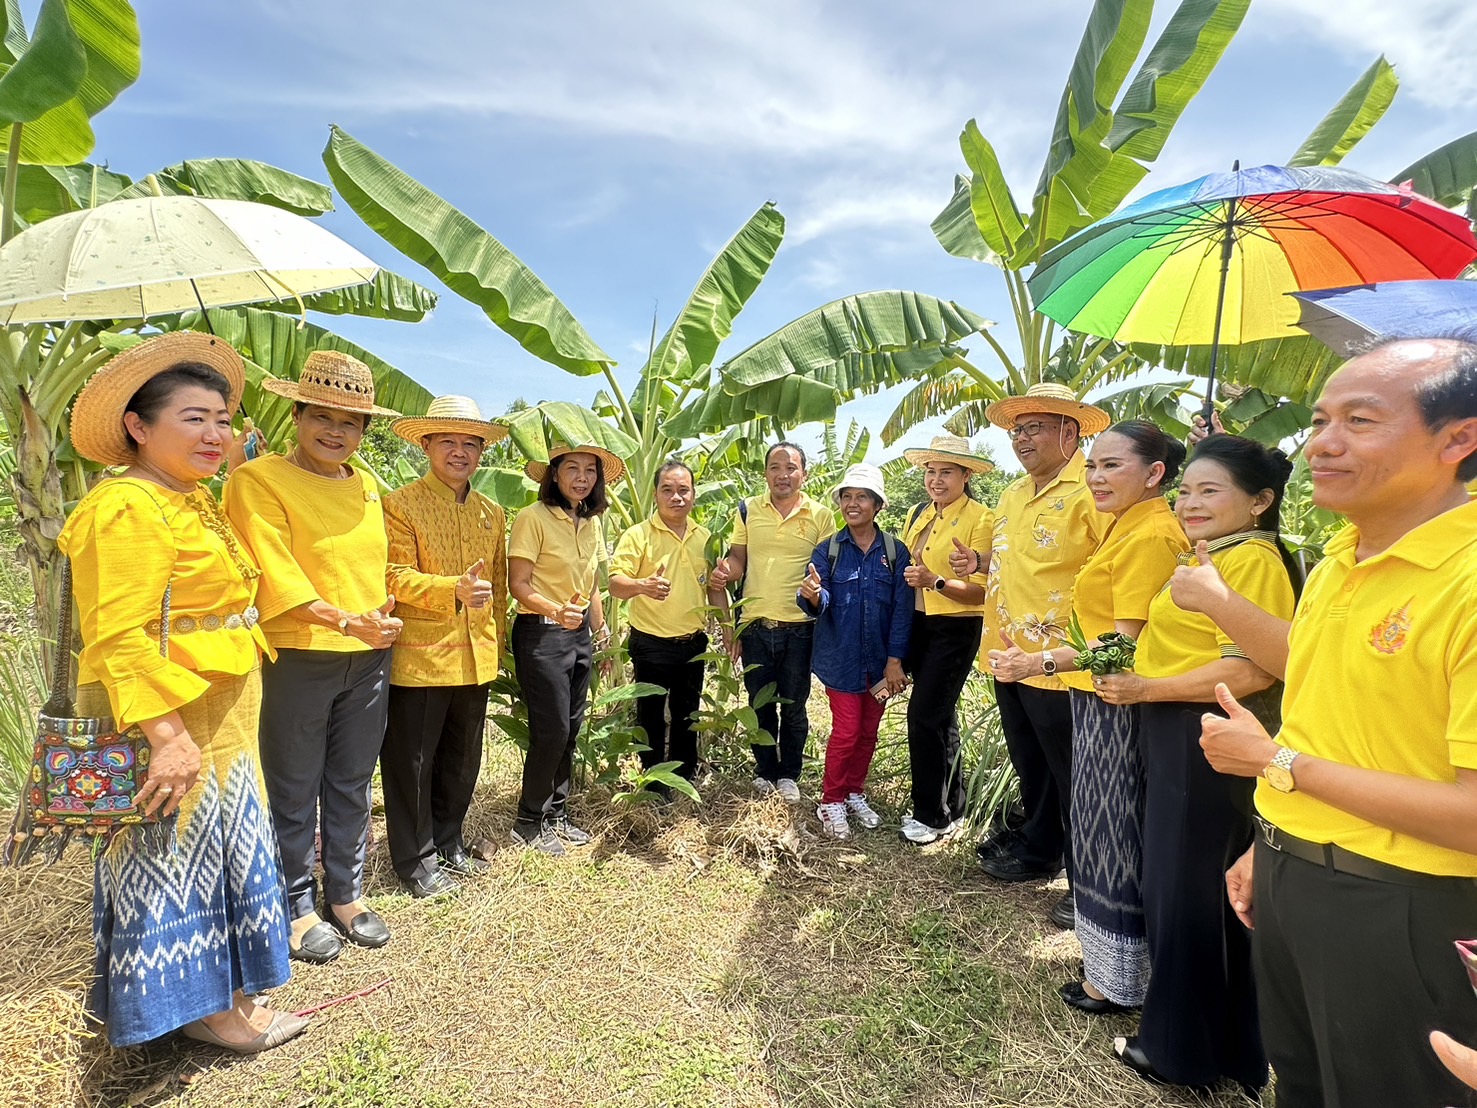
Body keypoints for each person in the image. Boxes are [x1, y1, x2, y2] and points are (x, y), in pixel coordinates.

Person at [1196, 339, 1477, 1108]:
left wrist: (1274, 766)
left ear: (1458, 439)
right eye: (1319, 419)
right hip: (1296, 877)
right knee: (1305, 1084)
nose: (1320, 442)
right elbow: (1321, 695)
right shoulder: (1338, 560)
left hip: (1407, 906)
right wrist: (1271, 840)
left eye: (1359, 420)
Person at [58, 332, 305, 1052]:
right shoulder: (127, 507)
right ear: (137, 426)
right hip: (169, 713)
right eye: (193, 418)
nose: (215, 434)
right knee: (172, 859)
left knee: (215, 853)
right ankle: (206, 1013)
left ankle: (225, 996)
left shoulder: (188, 498)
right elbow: (117, 635)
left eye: (223, 420)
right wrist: (166, 737)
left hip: (220, 708)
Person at [1091, 434, 1298, 1095]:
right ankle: (1223, 1044)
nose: (1190, 501)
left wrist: (1147, 688)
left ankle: (1175, 1048)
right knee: (1197, 890)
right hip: (1181, 729)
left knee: (1183, 892)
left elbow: (1252, 666)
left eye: (1211, 490)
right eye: (1186, 489)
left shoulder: (1253, 561)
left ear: (1259, 501)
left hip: (1201, 733)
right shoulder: (1216, 554)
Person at [993, 419, 1188, 1012]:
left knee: (1115, 834)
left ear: (1154, 474)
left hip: (1114, 698)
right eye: (1094, 466)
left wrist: (1039, 664)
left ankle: (1119, 979)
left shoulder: (1151, 534)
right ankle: (1110, 970)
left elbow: (1123, 642)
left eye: (1112, 466)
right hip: (1099, 695)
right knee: (1102, 826)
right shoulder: (1126, 526)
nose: (1097, 477)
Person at [223, 351, 403, 965]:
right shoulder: (257, 480)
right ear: (296, 415)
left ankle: (347, 894)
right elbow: (278, 574)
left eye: (351, 423)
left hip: (369, 655)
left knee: (352, 779)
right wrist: (343, 618)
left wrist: (381, 613)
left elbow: (374, 568)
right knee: (294, 784)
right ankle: (295, 903)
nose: (336, 431)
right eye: (322, 415)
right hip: (300, 654)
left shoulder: (368, 484)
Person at [954, 383, 1111, 932]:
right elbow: (1009, 561)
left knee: (1075, 773)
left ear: (1070, 432)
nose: (1021, 439)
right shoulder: (1013, 493)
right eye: (1016, 430)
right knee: (1033, 762)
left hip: (1058, 660)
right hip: (1006, 653)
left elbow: (1113, 566)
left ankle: (1086, 878)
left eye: (1033, 428)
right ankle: (1041, 847)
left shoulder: (1094, 490)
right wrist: (974, 559)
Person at [380, 397, 509, 898]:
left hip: (476, 653)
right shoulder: (401, 505)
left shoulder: (491, 512)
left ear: (481, 452)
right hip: (422, 655)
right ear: (427, 445)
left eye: (470, 443)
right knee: (414, 761)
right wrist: (450, 588)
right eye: (449, 441)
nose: (460, 452)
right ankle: (414, 859)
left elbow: (496, 583)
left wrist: (496, 634)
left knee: (463, 757)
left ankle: (450, 841)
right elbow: (393, 575)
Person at [507, 441, 623, 855]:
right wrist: (556, 610)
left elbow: (591, 584)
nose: (582, 477)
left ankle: (557, 813)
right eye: (572, 468)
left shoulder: (591, 523)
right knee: (551, 729)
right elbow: (517, 584)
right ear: (554, 475)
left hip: (579, 635)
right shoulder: (533, 518)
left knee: (571, 728)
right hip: (540, 633)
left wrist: (601, 630)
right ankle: (528, 820)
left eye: (590, 470)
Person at [797, 464, 912, 839]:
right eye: (846, 496)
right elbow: (820, 597)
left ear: (877, 504)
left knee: (867, 733)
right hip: (841, 659)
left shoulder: (894, 552)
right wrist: (813, 595)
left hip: (880, 663)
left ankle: (853, 792)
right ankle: (830, 800)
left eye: (861, 496)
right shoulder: (828, 550)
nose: (852, 503)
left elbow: (901, 610)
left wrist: (895, 661)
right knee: (846, 732)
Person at [708, 443, 827, 802]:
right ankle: (764, 770)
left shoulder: (820, 515)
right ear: (766, 473)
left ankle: (789, 772)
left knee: (794, 704)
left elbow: (823, 569)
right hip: (756, 625)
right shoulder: (747, 510)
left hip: (799, 627)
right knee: (759, 703)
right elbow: (739, 559)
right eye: (775, 467)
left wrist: (817, 588)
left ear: (804, 474)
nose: (782, 475)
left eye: (790, 467)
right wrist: (725, 572)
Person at [609, 460, 726, 797]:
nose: (676, 497)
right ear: (657, 494)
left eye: (683, 490)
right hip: (651, 641)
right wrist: (642, 586)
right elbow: (615, 583)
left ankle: (684, 776)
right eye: (668, 490)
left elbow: (714, 587)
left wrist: (727, 627)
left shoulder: (703, 537)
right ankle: (652, 782)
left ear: (693, 495)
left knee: (687, 712)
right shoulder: (638, 535)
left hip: (692, 641)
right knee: (651, 716)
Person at [898, 434, 994, 845]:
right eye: (931, 471)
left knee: (923, 716)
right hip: (918, 622)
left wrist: (935, 580)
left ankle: (930, 815)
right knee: (940, 715)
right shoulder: (919, 513)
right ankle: (951, 806)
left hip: (955, 625)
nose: (936, 480)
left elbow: (983, 592)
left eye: (947, 472)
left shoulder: (981, 519)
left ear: (966, 474)